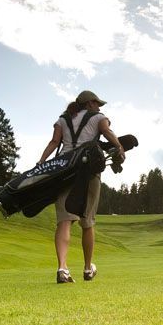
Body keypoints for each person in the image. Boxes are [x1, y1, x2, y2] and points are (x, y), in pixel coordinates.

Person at [38, 91, 125, 283]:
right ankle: (87, 269)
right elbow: (108, 133)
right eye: (97, 103)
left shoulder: (63, 119)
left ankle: (62, 268)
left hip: (63, 170)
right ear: (90, 103)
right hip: (88, 171)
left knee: (64, 220)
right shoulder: (98, 118)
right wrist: (120, 148)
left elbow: (54, 142)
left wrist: (42, 161)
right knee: (87, 222)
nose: (99, 107)